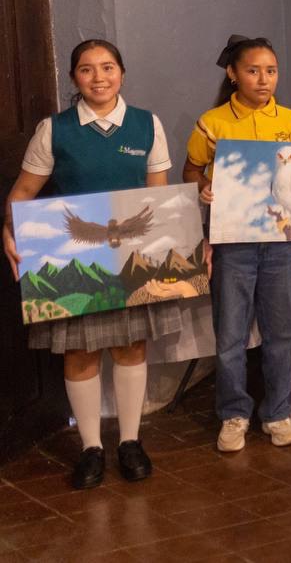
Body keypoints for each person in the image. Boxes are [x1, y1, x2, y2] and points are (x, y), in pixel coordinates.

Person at [3, 40, 179, 489]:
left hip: (131, 258)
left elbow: (156, 198)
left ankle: (130, 441)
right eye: (86, 69)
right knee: (81, 353)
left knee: (131, 347)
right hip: (74, 259)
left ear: (122, 72)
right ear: (73, 78)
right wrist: (9, 228)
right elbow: (23, 194)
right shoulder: (54, 130)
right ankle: (90, 447)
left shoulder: (146, 124)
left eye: (107, 67)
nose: (98, 77)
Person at [183, 36, 291, 453]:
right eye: (253, 70)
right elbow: (192, 169)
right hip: (233, 242)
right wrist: (202, 187)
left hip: (283, 241)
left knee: (282, 331)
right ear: (232, 74)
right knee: (231, 334)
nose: (263, 79)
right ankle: (234, 414)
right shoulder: (213, 122)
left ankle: (278, 412)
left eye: (271, 71)